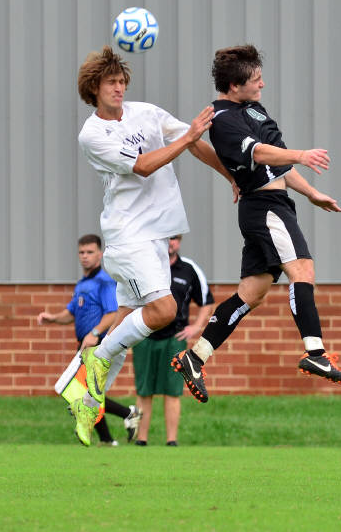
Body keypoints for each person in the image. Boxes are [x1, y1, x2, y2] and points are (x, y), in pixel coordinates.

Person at [71, 45, 237, 446]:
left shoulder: (146, 113)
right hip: (128, 234)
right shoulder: (92, 134)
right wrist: (189, 136)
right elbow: (144, 166)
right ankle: (96, 360)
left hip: (157, 235)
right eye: (111, 83)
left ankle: (84, 399)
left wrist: (230, 176)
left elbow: (193, 142)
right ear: (93, 88)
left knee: (126, 319)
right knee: (164, 310)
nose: (119, 88)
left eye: (122, 81)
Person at [172, 44, 341, 403]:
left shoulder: (253, 108)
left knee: (251, 294)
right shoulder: (222, 120)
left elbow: (276, 163)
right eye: (255, 79)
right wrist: (302, 154)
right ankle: (315, 353)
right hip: (264, 208)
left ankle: (195, 357)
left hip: (276, 203)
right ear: (234, 85)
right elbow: (258, 153)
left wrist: (311, 193)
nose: (262, 84)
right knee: (302, 270)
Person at [37, 233, 142, 445]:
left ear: (100, 254)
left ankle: (126, 414)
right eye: (82, 252)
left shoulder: (104, 282)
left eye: (90, 252)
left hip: (100, 343)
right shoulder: (82, 284)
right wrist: (53, 319)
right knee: (87, 392)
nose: (85, 256)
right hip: (86, 344)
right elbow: (71, 313)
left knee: (78, 390)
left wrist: (94, 333)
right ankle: (109, 437)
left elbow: (113, 313)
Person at [132, 235, 214, 446]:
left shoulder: (189, 269)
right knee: (144, 390)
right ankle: (141, 440)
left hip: (174, 339)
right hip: (144, 336)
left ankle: (171, 441)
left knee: (173, 390)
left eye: (175, 238)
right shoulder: (144, 267)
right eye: (167, 238)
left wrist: (196, 326)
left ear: (180, 241)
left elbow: (207, 301)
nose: (171, 242)